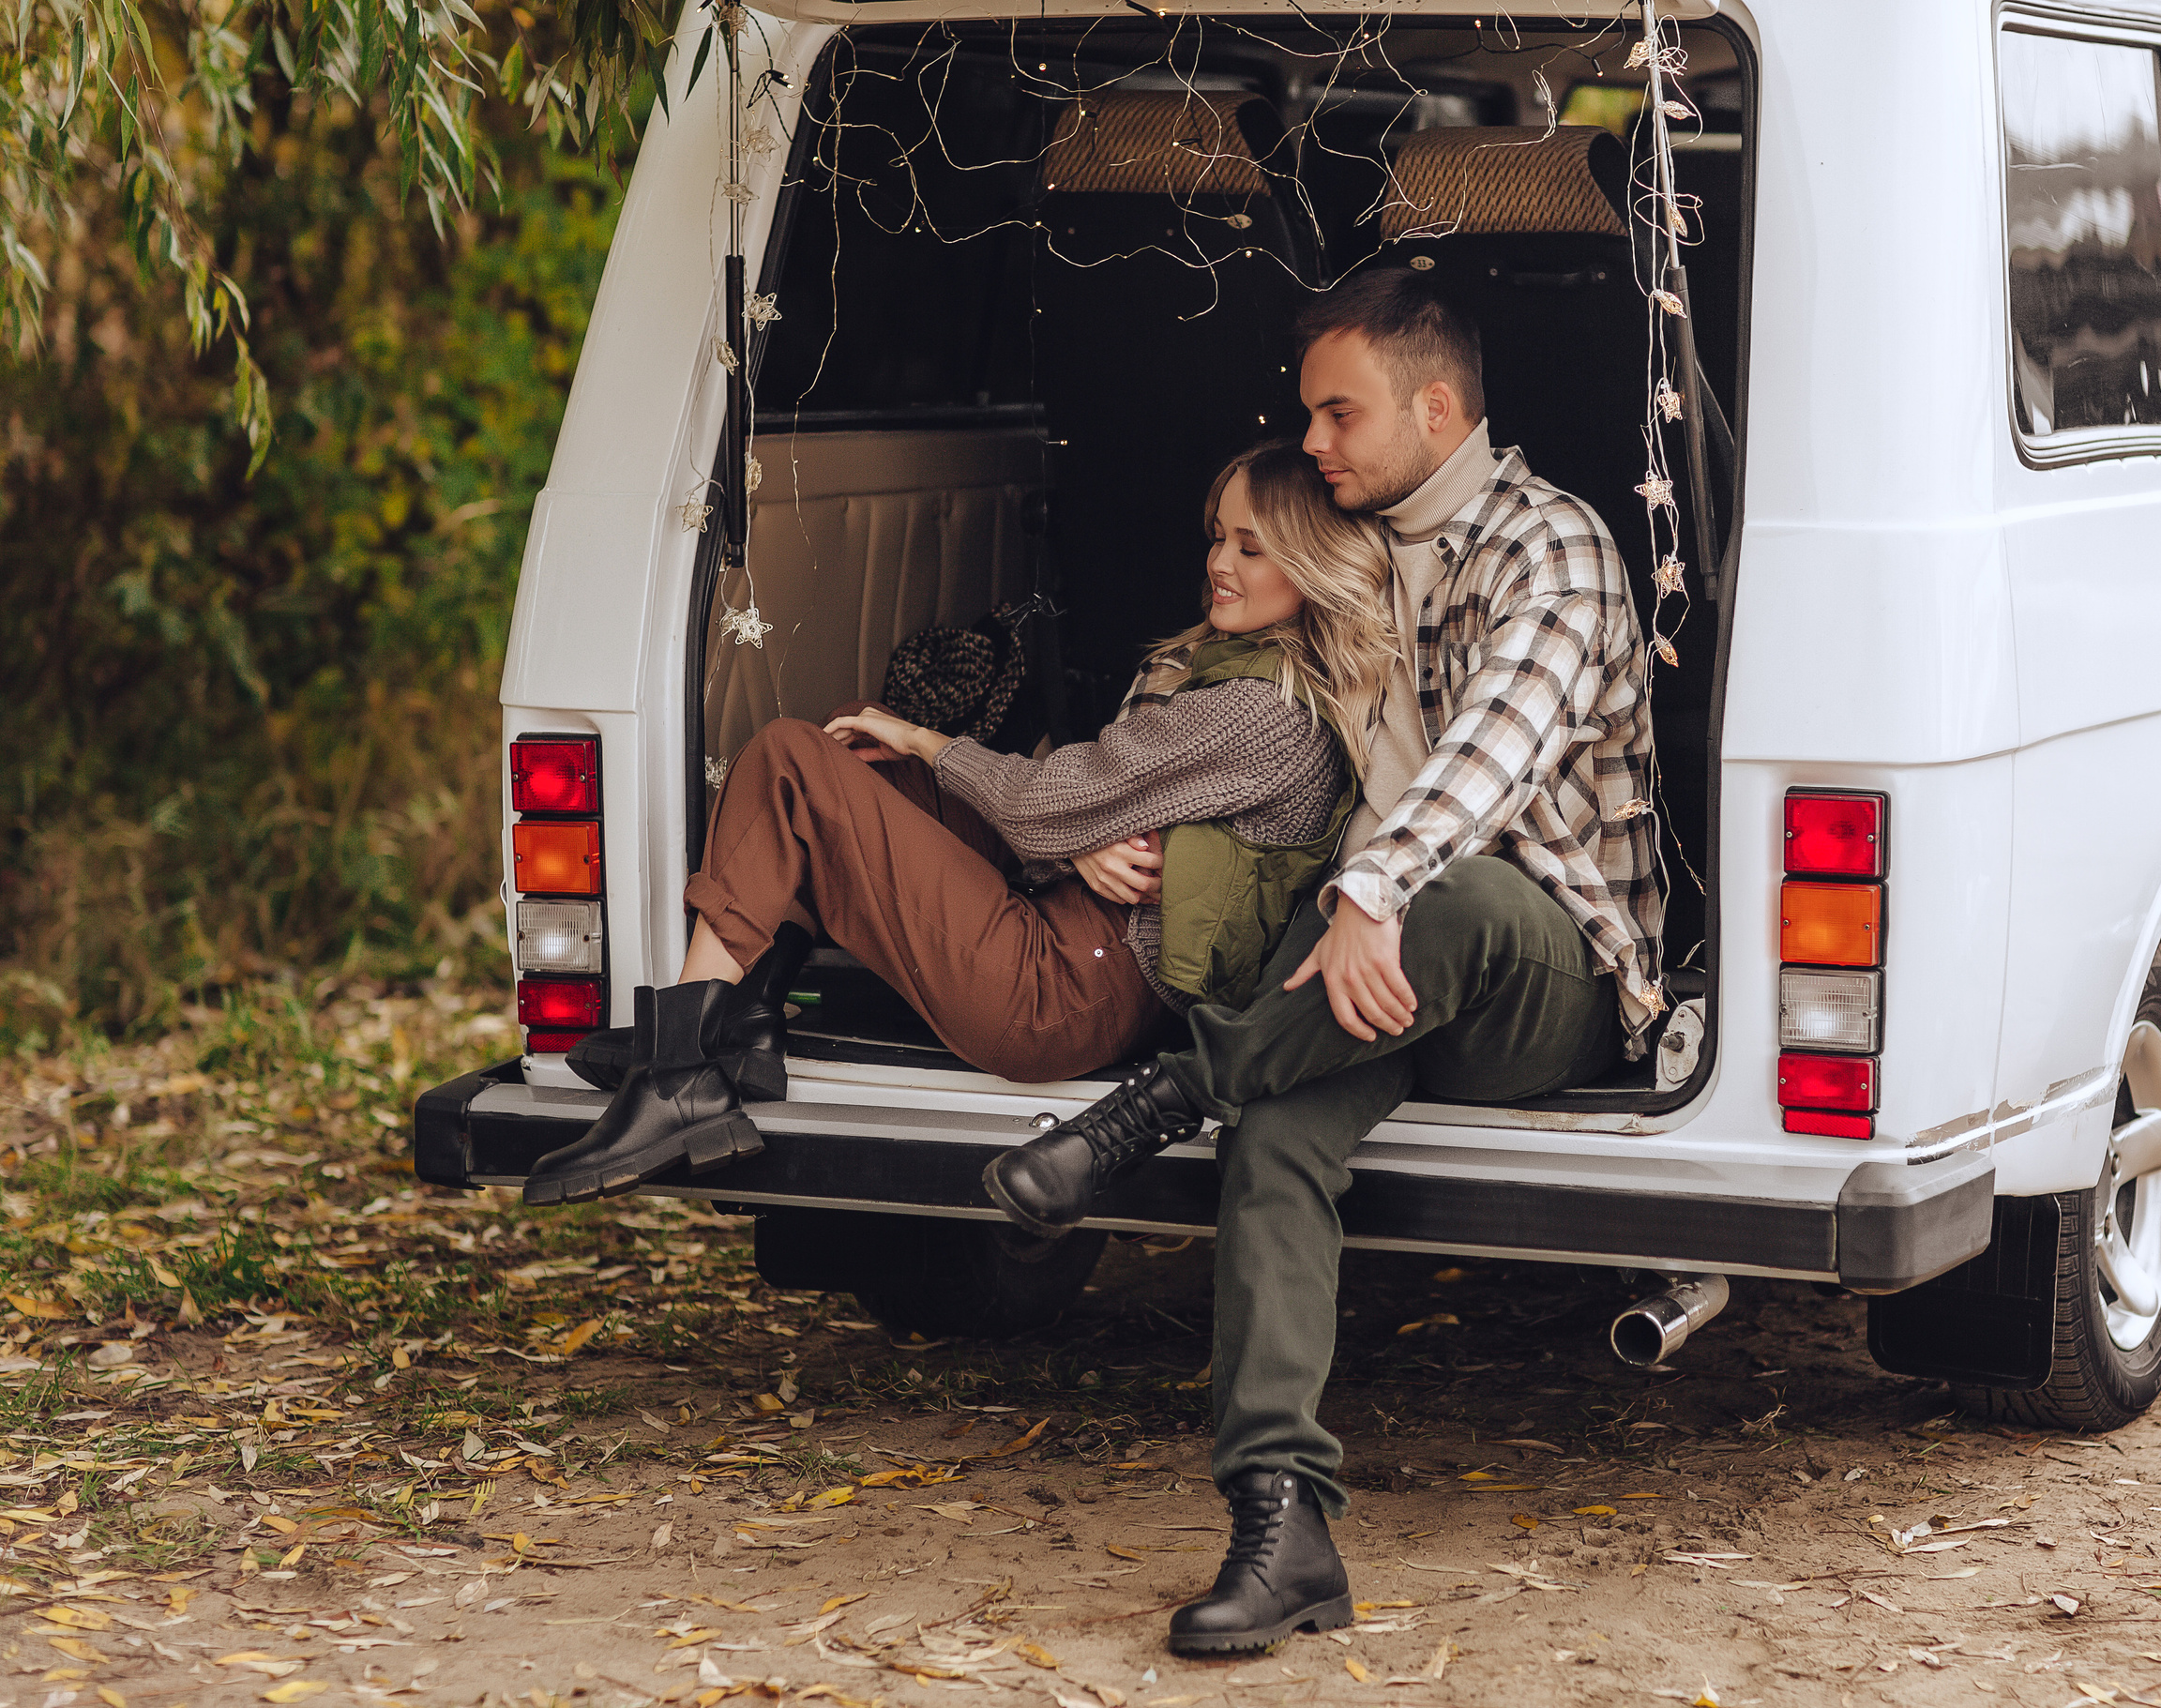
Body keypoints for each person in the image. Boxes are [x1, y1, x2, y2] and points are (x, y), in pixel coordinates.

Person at [980, 268, 1667, 1657]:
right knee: (1281, 1134)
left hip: (1550, 965)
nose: (1315, 443)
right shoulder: (1336, 548)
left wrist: (1372, 885)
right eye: (1308, 417)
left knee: (1456, 895)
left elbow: (1490, 758)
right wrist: (1118, 836)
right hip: (1346, 980)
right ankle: (1279, 1523)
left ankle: (1165, 1097)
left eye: (1338, 414)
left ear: (1436, 406)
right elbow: (1207, 714)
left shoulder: (1555, 547)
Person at [517, 441, 1398, 1208]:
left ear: (1314, 565)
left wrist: (940, 744)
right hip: (1086, 937)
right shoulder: (1248, 670)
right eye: (1218, 534)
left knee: (795, 758)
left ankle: (679, 1072)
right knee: (861, 751)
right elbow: (1082, 798)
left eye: (1252, 545)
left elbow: (1052, 797)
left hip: (1065, 987)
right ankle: (733, 1026)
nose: (1220, 561)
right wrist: (1074, 832)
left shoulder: (1261, 709)